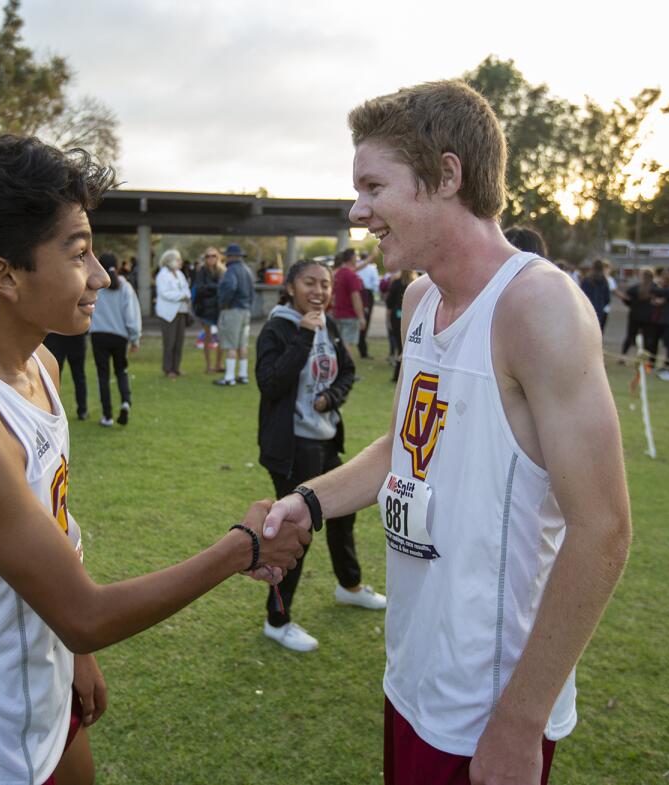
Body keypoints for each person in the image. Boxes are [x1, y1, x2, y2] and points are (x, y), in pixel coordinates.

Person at [0, 135, 308, 785]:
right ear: (3, 275)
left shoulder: (42, 363)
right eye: (79, 252)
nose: (102, 277)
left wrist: (74, 652)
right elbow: (82, 607)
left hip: (47, 695)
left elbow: (52, 530)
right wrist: (242, 548)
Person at [259, 80, 632, 785]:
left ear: (447, 175)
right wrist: (304, 503)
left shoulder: (539, 306)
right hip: (413, 670)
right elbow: (407, 446)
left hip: (488, 703)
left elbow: (604, 527)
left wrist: (521, 719)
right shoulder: (419, 296)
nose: (356, 208)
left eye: (374, 185)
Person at [256, 260, 384, 652]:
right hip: (292, 448)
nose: (319, 290)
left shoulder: (326, 324)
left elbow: (346, 371)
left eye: (325, 284)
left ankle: (350, 585)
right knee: (297, 533)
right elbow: (271, 383)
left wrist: (333, 397)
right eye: (309, 282)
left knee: (344, 515)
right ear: (291, 286)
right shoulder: (279, 327)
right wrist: (302, 336)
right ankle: (277, 620)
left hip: (327, 440)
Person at [90, 252, 141, 426]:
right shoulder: (125, 287)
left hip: (99, 335)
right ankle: (125, 402)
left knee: (103, 376)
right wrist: (135, 338)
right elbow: (132, 315)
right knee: (121, 371)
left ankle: (107, 416)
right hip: (120, 336)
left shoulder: (95, 285)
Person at [214, 243, 254, 386]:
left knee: (231, 344)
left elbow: (230, 287)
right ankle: (243, 375)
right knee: (242, 344)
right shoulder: (247, 270)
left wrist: (223, 303)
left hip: (232, 310)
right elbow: (252, 292)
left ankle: (229, 377)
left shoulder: (230, 271)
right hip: (245, 310)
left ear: (231, 257)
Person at [154, 248, 191, 378]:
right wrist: (181, 296)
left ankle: (176, 367)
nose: (180, 262)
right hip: (168, 313)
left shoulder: (180, 274)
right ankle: (168, 369)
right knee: (169, 342)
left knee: (179, 341)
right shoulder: (162, 275)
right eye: (177, 259)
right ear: (170, 261)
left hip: (181, 311)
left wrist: (185, 295)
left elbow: (187, 289)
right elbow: (165, 293)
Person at [42, 331, 89, 420]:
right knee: (79, 376)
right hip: (75, 337)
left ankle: (52, 409)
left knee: (52, 376)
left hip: (55, 337)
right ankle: (82, 410)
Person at [330, 248, 367, 360]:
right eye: (356, 256)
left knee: (338, 344)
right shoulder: (351, 275)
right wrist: (361, 317)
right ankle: (349, 373)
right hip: (349, 315)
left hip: (337, 314)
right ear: (352, 258)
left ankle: (340, 371)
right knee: (347, 345)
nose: (357, 258)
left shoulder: (337, 274)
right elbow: (355, 297)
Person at [192, 246, 224, 373]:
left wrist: (209, 287)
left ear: (218, 257)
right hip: (205, 309)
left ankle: (218, 364)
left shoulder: (222, 271)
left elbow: (223, 288)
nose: (210, 258)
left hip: (219, 308)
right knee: (207, 337)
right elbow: (200, 288)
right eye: (208, 256)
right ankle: (208, 365)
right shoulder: (201, 271)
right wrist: (214, 288)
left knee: (221, 337)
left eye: (213, 255)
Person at [385, 269, 418, 382]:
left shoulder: (397, 283)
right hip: (413, 318)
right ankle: (402, 376)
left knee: (401, 346)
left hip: (397, 317)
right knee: (407, 347)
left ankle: (398, 376)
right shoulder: (416, 284)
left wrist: (388, 318)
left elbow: (389, 302)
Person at [619, 269, 656, 362]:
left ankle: (623, 356)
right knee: (648, 338)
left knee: (630, 336)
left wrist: (631, 304)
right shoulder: (655, 288)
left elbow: (626, 298)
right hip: (649, 317)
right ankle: (648, 359)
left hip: (635, 315)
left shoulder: (635, 289)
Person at [356, 247, 382, 358]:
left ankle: (360, 344)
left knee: (356, 319)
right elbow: (375, 283)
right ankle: (362, 348)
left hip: (357, 292)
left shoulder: (356, 266)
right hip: (367, 294)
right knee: (365, 321)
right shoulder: (371, 268)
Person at [579, 261, 611, 333]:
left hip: (587, 309)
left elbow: (581, 294)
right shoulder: (604, 280)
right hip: (600, 309)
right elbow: (607, 298)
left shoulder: (586, 279)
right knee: (599, 331)